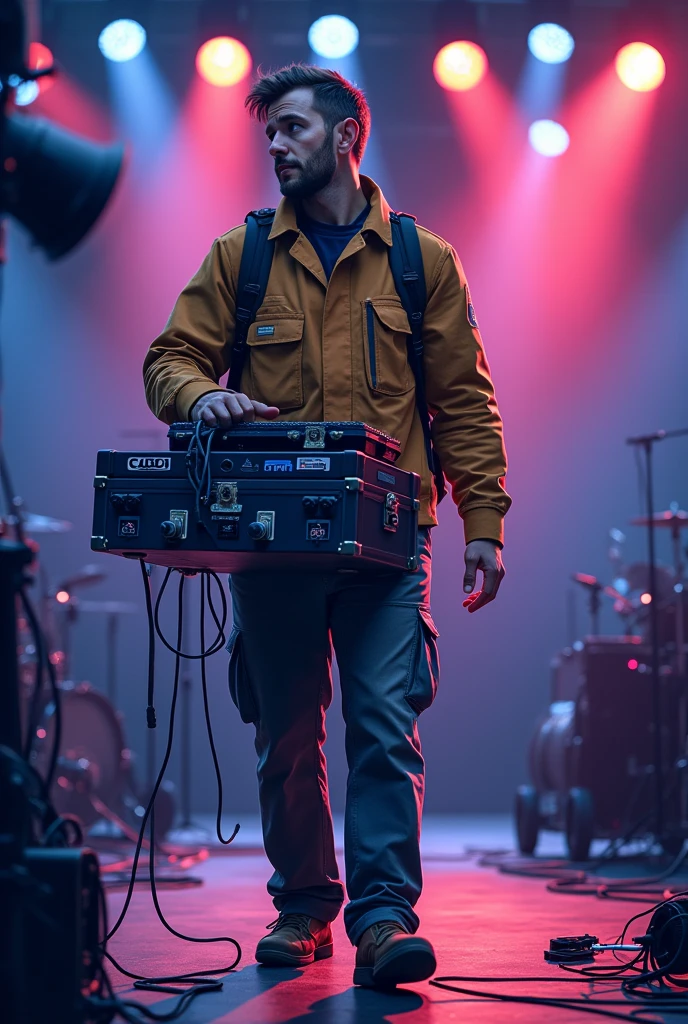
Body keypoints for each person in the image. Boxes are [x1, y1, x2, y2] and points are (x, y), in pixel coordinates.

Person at [144, 64, 510, 989]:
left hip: (391, 542)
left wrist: (485, 523)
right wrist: (201, 401)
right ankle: (305, 906)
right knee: (285, 735)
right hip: (274, 543)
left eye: (294, 129)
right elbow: (169, 358)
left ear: (346, 136)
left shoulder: (423, 261)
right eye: (269, 132)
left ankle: (384, 918)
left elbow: (464, 401)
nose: (276, 145)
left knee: (385, 726)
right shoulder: (244, 256)